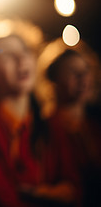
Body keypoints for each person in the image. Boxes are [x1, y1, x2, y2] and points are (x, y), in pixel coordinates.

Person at [0, 35, 80, 207]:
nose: (20, 59)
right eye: (6, 53)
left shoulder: (52, 124)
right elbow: (1, 198)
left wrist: (36, 193)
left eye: (24, 51)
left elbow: (75, 191)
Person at [46, 49, 101, 206]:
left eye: (85, 71)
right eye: (73, 72)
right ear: (54, 79)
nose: (83, 78)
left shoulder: (94, 126)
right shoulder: (46, 129)